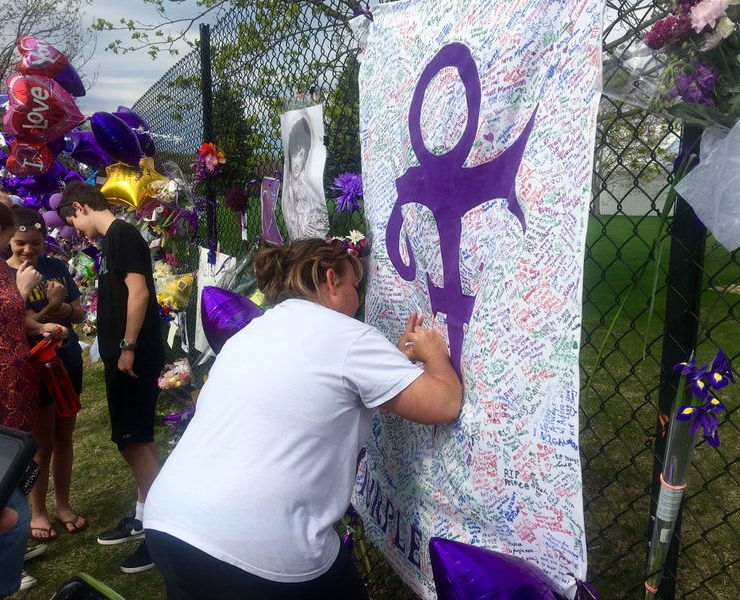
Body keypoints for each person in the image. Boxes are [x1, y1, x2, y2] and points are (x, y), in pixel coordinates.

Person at [144, 238, 462, 599]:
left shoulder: (250, 334)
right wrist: (434, 352)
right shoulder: (348, 337)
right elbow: (445, 403)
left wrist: (394, 366)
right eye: (355, 286)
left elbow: (319, 395)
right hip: (264, 549)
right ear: (331, 280)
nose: (359, 301)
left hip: (169, 525)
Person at [58, 181, 165, 574]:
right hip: (126, 354)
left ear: (81, 207)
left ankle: (162, 531)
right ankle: (143, 514)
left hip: (132, 356)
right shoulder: (113, 240)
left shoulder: (120, 234)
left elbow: (138, 294)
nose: (76, 231)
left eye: (73, 221)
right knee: (139, 436)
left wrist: (127, 346)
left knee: (130, 442)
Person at [7, 208, 87, 541]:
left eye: (36, 243)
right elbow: (15, 322)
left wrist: (62, 306)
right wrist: (50, 309)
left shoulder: (55, 266)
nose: (28, 250)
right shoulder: (3, 274)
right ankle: (38, 511)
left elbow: (79, 312)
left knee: (65, 438)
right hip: (34, 368)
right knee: (42, 444)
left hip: (66, 361)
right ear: (9, 238)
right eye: (21, 243)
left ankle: (63, 505)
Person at [0, 202, 64, 598]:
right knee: (8, 492)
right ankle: (6, 574)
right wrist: (23, 294)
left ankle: (12, 553)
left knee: (18, 469)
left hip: (15, 388)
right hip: (3, 389)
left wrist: (41, 325)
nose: (8, 244)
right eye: (6, 236)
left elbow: (12, 319)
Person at [281, 116, 330, 241]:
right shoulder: (287, 192)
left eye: (301, 155)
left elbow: (321, 226)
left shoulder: (310, 193)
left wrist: (313, 229)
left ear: (306, 156)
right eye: (295, 154)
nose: (297, 162)